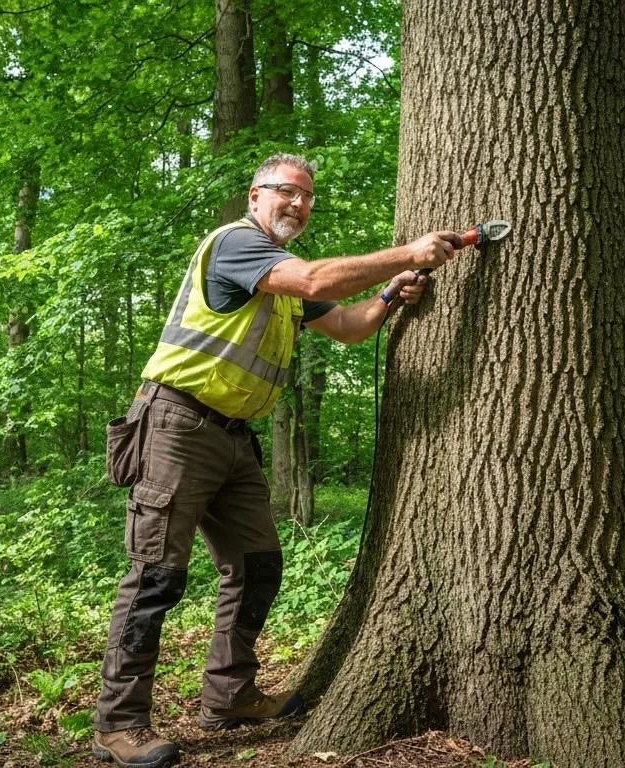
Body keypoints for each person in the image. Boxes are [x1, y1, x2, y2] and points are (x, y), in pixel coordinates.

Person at [92, 153, 460, 768]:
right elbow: (317, 282)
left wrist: (392, 294)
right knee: (156, 577)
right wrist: (407, 253)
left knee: (258, 566)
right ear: (256, 195)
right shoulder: (237, 243)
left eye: (307, 197)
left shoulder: (278, 273)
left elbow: (347, 323)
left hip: (233, 438)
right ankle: (118, 724)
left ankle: (229, 695)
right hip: (177, 426)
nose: (298, 205)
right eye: (287, 192)